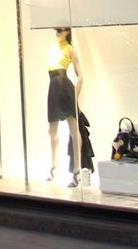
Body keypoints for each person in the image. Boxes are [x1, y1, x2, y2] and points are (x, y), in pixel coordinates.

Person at [47, 28, 84, 187]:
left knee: (73, 129)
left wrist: (75, 96)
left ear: (67, 32)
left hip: (64, 88)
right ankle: (53, 166)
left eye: (60, 29)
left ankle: (77, 170)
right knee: (52, 131)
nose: (57, 32)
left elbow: (81, 76)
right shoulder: (52, 49)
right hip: (53, 88)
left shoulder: (71, 49)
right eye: (56, 29)